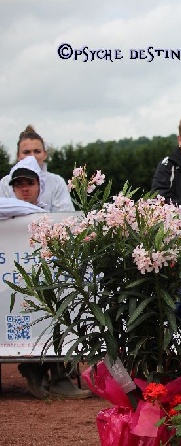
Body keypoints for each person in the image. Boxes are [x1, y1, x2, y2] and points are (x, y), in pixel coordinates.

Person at [3, 156, 89, 399]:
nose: (24, 188)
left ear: (39, 185)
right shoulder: (8, 206)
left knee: (58, 308)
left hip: (45, 277)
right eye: (18, 184)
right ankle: (34, 370)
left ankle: (59, 374)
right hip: (11, 283)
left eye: (29, 182)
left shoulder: (51, 215)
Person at [0, 125, 74, 212]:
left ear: (45, 154)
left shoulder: (57, 182)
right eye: (26, 152)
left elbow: (65, 217)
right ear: (18, 156)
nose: (32, 156)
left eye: (37, 151)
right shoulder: (5, 183)